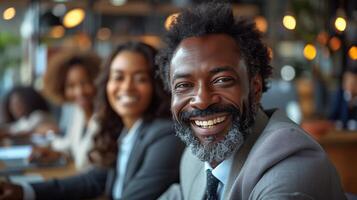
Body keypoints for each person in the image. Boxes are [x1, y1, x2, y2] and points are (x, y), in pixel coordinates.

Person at [157, 3, 346, 200]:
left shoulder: (290, 162)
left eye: (222, 80)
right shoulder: (193, 160)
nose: (202, 101)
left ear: (255, 87)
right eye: (184, 85)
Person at [0, 41, 184, 200]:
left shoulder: (165, 136)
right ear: (106, 84)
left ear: (157, 85)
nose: (127, 87)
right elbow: (94, 180)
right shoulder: (125, 130)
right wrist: (23, 191)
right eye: (118, 77)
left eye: (140, 78)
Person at [31, 50, 101, 170]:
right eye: (71, 86)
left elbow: (88, 163)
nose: (79, 92)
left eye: (85, 83)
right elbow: (72, 146)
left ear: (98, 81)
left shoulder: (105, 117)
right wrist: (53, 152)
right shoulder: (78, 112)